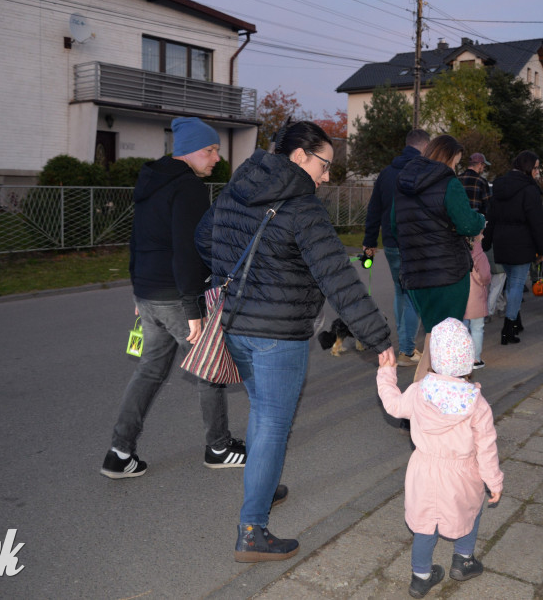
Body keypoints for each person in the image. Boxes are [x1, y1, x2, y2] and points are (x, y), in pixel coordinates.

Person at [196, 120, 395, 562]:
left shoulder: (238, 186)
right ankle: (252, 532)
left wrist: (243, 273)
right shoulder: (303, 208)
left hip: (233, 326)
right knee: (270, 424)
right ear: (299, 156)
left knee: (262, 416)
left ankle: (262, 486)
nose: (327, 176)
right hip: (277, 336)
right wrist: (378, 337)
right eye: (325, 165)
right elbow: (339, 277)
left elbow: (203, 237)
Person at [102, 117, 244, 480]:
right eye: (211, 151)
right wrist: (193, 306)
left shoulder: (150, 184)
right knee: (210, 370)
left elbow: (137, 242)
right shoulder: (188, 188)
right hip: (177, 296)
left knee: (149, 370)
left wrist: (139, 292)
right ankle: (219, 447)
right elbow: (186, 251)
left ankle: (119, 453)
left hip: (150, 292)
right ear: (193, 151)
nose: (216, 159)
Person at [375, 318, 503, 599]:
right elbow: (487, 447)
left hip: (423, 469)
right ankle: (463, 560)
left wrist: (386, 373)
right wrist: (493, 481)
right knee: (471, 510)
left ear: (434, 358)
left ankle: (420, 576)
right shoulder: (476, 402)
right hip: (462, 474)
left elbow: (393, 405)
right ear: (468, 360)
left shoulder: (419, 391)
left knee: (424, 522)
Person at [393, 134, 485, 382]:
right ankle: (428, 405)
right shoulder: (449, 183)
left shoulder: (402, 184)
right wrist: (480, 221)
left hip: (415, 273)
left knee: (434, 337)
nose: (455, 167)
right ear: (447, 158)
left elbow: (394, 226)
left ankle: (417, 405)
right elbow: (466, 223)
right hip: (448, 273)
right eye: (455, 162)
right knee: (444, 342)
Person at [362, 129, 430, 366]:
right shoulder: (422, 172)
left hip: (391, 242)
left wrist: (369, 242)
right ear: (424, 147)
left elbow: (373, 210)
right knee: (414, 295)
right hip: (414, 243)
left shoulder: (386, 173)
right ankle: (408, 350)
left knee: (400, 291)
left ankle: (404, 344)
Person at [483, 151, 543, 345]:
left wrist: (486, 243)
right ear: (528, 168)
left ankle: (515, 320)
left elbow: (491, 216)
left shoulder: (500, 186)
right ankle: (508, 327)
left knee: (512, 282)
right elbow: (537, 222)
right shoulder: (530, 190)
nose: (538, 172)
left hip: (502, 242)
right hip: (522, 243)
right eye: (536, 167)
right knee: (516, 285)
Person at [463, 230, 490, 369]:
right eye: (481, 233)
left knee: (463, 327)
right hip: (476, 296)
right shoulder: (480, 256)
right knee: (477, 328)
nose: (484, 235)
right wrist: (482, 282)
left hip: (462, 294)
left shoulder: (460, 252)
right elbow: (485, 276)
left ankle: (462, 357)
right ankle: (475, 359)